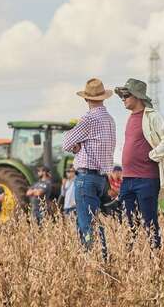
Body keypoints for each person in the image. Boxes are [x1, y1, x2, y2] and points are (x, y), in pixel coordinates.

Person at [115, 78, 164, 250]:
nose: (123, 98)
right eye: (122, 95)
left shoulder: (153, 116)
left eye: (126, 95)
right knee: (129, 224)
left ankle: (154, 258)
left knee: (149, 222)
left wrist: (154, 155)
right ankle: (132, 259)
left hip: (146, 179)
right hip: (127, 179)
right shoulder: (130, 118)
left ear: (137, 96)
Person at [62, 78, 116, 259]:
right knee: (96, 222)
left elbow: (66, 143)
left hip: (86, 177)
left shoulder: (88, 118)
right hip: (102, 178)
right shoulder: (109, 119)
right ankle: (103, 257)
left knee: (86, 224)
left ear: (86, 99)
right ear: (103, 98)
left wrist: (77, 147)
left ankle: (93, 262)